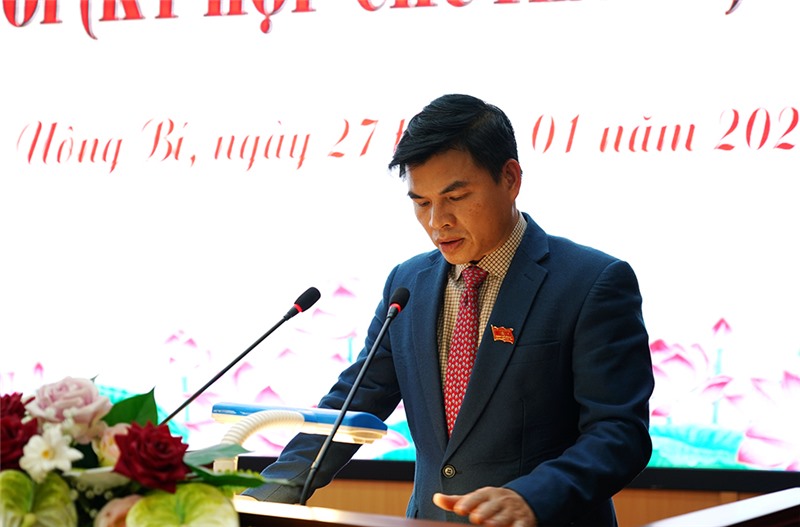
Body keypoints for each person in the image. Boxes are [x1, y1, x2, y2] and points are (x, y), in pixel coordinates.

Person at [242, 94, 654, 526]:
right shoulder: (408, 284)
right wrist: (260, 500)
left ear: (510, 178)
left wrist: (531, 498)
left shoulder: (591, 282)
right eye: (421, 202)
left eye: (455, 197)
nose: (438, 221)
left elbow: (619, 435)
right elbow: (352, 404)